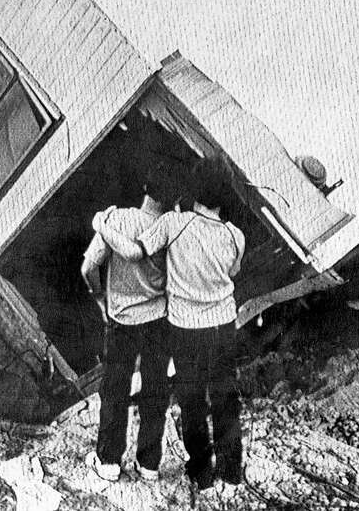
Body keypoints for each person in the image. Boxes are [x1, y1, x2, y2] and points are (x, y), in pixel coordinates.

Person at [95, 156, 246, 502]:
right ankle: (231, 475)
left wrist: (102, 225)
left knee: (192, 402)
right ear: (225, 197)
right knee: (225, 396)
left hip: (185, 327)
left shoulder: (173, 225)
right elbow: (234, 273)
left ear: (193, 192)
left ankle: (203, 477)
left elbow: (133, 252)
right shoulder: (235, 235)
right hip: (223, 325)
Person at [80, 190, 170, 483]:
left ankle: (108, 462)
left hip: (122, 319)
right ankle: (149, 465)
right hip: (159, 320)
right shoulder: (172, 229)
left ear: (145, 189)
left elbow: (88, 267)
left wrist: (99, 297)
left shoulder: (117, 219)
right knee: (155, 390)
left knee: (115, 389)